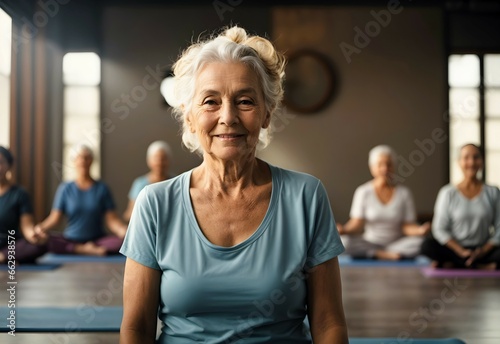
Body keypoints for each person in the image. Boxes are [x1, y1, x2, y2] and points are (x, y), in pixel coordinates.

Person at [119, 26, 348, 344]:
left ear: (267, 113)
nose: (228, 116)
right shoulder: (155, 203)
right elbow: (136, 329)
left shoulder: (306, 196)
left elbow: (328, 324)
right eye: (210, 102)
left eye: (245, 101)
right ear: (189, 117)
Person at [337, 145, 430, 260]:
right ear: (372, 168)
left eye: (389, 164)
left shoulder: (404, 193)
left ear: (394, 167)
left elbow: (407, 226)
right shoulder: (363, 191)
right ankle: (377, 253)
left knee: (422, 243)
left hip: (397, 244)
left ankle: (381, 253)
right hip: (370, 242)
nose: (385, 168)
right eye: (380, 164)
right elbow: (357, 224)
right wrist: (343, 230)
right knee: (344, 242)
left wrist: (419, 230)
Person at [35, 144, 127, 256]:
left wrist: (122, 230)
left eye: (86, 158)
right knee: (47, 241)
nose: (83, 161)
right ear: (74, 161)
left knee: (123, 242)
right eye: (79, 158)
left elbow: (111, 220)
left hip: (97, 241)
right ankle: (81, 249)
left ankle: (84, 248)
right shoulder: (65, 188)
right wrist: (41, 228)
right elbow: (55, 218)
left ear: (92, 161)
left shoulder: (102, 188)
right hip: (71, 239)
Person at [421, 144, 500, 270]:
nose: (471, 162)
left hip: (484, 249)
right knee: (426, 246)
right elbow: (439, 229)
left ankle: (457, 263)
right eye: (466, 158)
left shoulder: (493, 192)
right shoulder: (447, 193)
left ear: (482, 161)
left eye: (476, 157)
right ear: (459, 162)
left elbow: (499, 229)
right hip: (454, 248)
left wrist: (482, 251)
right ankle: (478, 265)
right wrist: (461, 251)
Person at [0, 146, 48, 263]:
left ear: (9, 166)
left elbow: (27, 227)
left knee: (41, 245)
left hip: (10, 245)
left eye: (0, 163)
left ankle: (3, 256)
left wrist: (35, 235)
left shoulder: (20, 194)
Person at [123, 140, 174, 222]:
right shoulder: (140, 183)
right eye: (156, 159)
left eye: (163, 159)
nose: (159, 163)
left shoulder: (175, 182)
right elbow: (130, 213)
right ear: (149, 160)